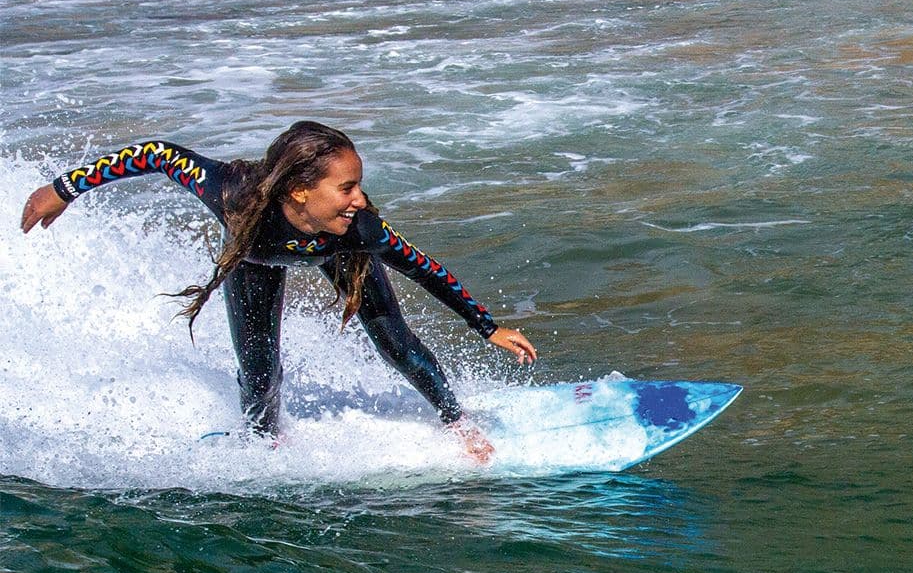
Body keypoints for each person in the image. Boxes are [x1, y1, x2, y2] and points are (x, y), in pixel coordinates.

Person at [17, 122, 537, 461]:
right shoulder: (232, 194)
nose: (360, 199)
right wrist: (64, 189)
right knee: (260, 369)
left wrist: (487, 327)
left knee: (396, 344)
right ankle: (265, 444)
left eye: (358, 185)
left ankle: (456, 421)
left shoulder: (360, 230)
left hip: (338, 255)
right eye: (347, 188)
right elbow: (158, 154)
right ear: (299, 190)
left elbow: (426, 270)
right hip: (253, 257)